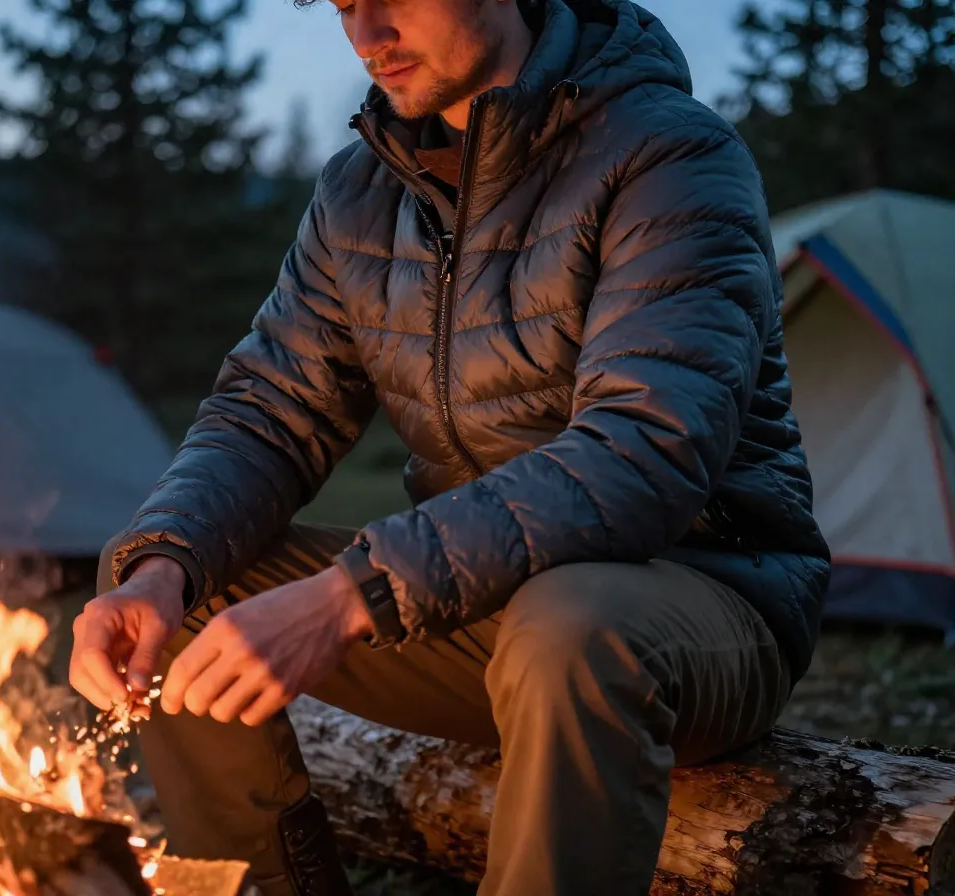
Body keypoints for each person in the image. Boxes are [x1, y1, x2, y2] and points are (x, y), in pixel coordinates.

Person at [69, 0, 831, 893]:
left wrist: (352, 594)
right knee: (174, 590)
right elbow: (269, 408)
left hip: (700, 600)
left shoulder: (670, 156)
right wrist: (163, 564)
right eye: (344, 4)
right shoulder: (360, 192)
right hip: (479, 600)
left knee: (568, 628)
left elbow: (645, 451)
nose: (367, 34)